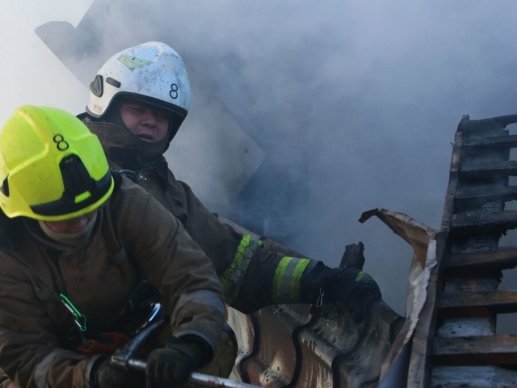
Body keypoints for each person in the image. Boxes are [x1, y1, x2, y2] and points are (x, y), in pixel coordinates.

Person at [0, 105, 229, 388]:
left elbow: (193, 278)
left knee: (215, 342)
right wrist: (90, 378)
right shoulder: (1, 259)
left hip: (133, 342)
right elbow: (27, 357)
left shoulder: (126, 202)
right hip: (49, 372)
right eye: (65, 218)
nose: (82, 221)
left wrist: (188, 344)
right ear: (27, 212)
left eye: (90, 209)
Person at [81, 42, 383, 319]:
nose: (150, 121)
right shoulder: (74, 167)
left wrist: (322, 280)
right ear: (106, 104)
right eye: (138, 109)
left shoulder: (171, 194)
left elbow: (238, 263)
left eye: (162, 116)